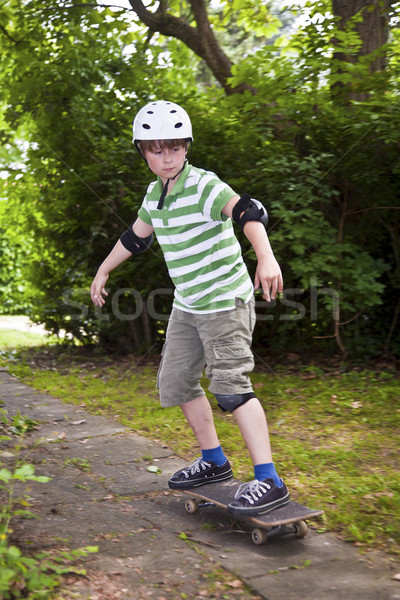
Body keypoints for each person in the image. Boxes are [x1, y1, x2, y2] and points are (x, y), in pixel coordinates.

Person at [90, 100, 290, 516]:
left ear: (187, 147)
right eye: (157, 149)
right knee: (176, 382)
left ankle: (269, 480)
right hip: (188, 304)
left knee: (231, 388)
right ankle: (214, 462)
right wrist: (103, 271)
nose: (167, 158)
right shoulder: (154, 194)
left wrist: (265, 257)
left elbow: (248, 211)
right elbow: (136, 237)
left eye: (176, 148)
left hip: (225, 301)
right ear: (142, 151)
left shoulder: (203, 185)